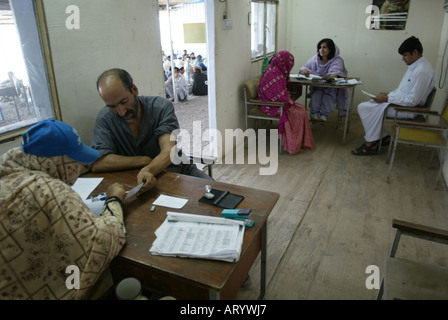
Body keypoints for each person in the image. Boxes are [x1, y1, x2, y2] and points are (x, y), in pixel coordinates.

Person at [0, 119, 126, 299]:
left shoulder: (9, 169)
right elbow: (102, 241)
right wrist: (114, 199)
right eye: (76, 163)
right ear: (57, 161)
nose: (79, 169)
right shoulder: (50, 191)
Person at [91, 68, 212, 195]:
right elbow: (99, 162)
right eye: (112, 107)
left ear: (134, 90)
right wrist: (142, 161)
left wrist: (149, 169)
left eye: (124, 102)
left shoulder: (160, 107)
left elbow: (168, 151)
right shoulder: (105, 119)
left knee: (221, 197)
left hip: (179, 172)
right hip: (137, 179)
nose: (121, 111)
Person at [351, 36, 435, 156]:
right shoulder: (415, 67)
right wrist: (388, 95)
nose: (403, 59)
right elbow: (403, 90)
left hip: (408, 109)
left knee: (364, 108)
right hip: (401, 103)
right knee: (368, 106)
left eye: (405, 55)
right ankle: (383, 137)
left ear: (415, 52)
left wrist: (387, 99)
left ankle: (371, 143)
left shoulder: (421, 71)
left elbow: (412, 100)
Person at [258, 50, 315, 154]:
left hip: (277, 102)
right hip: (271, 105)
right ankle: (293, 144)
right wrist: (289, 101)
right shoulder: (274, 74)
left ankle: (301, 141)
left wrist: (288, 100)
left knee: (301, 108)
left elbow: (280, 93)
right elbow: (279, 95)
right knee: (297, 113)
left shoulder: (276, 70)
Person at [300, 38, 348, 121]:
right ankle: (314, 113)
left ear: (331, 49)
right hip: (318, 85)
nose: (321, 50)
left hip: (331, 86)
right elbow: (303, 68)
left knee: (329, 93)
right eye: (320, 47)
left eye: (324, 47)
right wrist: (305, 72)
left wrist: (330, 76)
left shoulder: (337, 60)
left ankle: (324, 114)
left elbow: (336, 73)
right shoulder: (316, 58)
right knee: (316, 93)